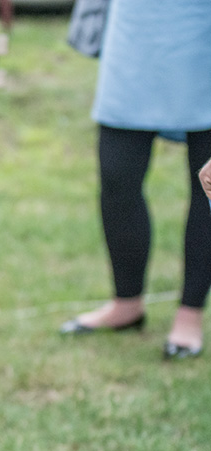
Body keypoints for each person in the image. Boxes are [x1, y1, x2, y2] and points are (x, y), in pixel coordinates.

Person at [60, 0, 211, 360]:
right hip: (131, 31)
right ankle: (126, 302)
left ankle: (190, 313)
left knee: (205, 184)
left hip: (200, 31)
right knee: (116, 177)